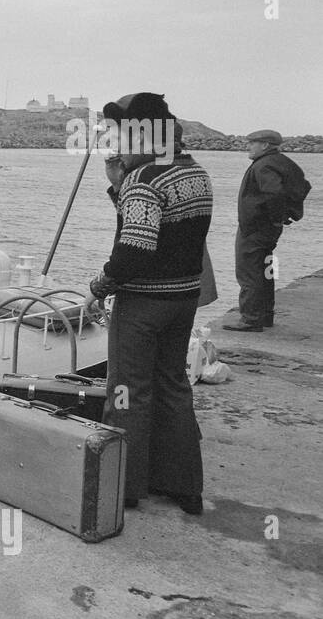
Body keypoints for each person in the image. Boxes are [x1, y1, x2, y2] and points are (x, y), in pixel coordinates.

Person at [89, 92, 213, 515]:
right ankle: (184, 487)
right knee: (173, 386)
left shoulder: (145, 181)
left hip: (144, 303)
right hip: (184, 298)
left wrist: (99, 286)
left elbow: (135, 251)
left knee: (126, 391)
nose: (116, 142)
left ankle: (123, 487)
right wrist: (117, 184)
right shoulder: (193, 172)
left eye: (122, 134)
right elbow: (165, 232)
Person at [225, 129, 311, 332]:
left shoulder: (263, 165)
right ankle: (265, 315)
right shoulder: (282, 161)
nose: (248, 146)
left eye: (252, 143)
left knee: (248, 271)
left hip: (255, 228)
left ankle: (251, 319)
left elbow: (274, 193)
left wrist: (275, 219)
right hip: (267, 229)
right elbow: (303, 186)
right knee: (266, 269)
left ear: (264, 145)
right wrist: (286, 215)